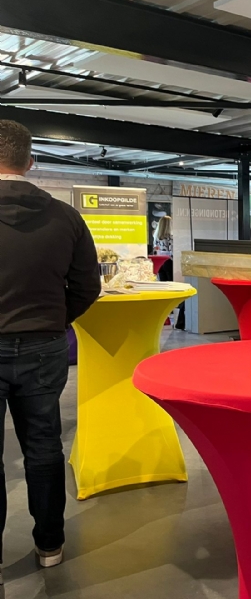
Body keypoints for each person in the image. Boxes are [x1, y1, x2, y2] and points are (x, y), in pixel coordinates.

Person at [0, 120, 100, 586]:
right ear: (31, 161)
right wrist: (56, 320)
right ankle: (50, 545)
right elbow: (87, 287)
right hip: (44, 344)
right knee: (43, 446)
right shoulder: (66, 217)